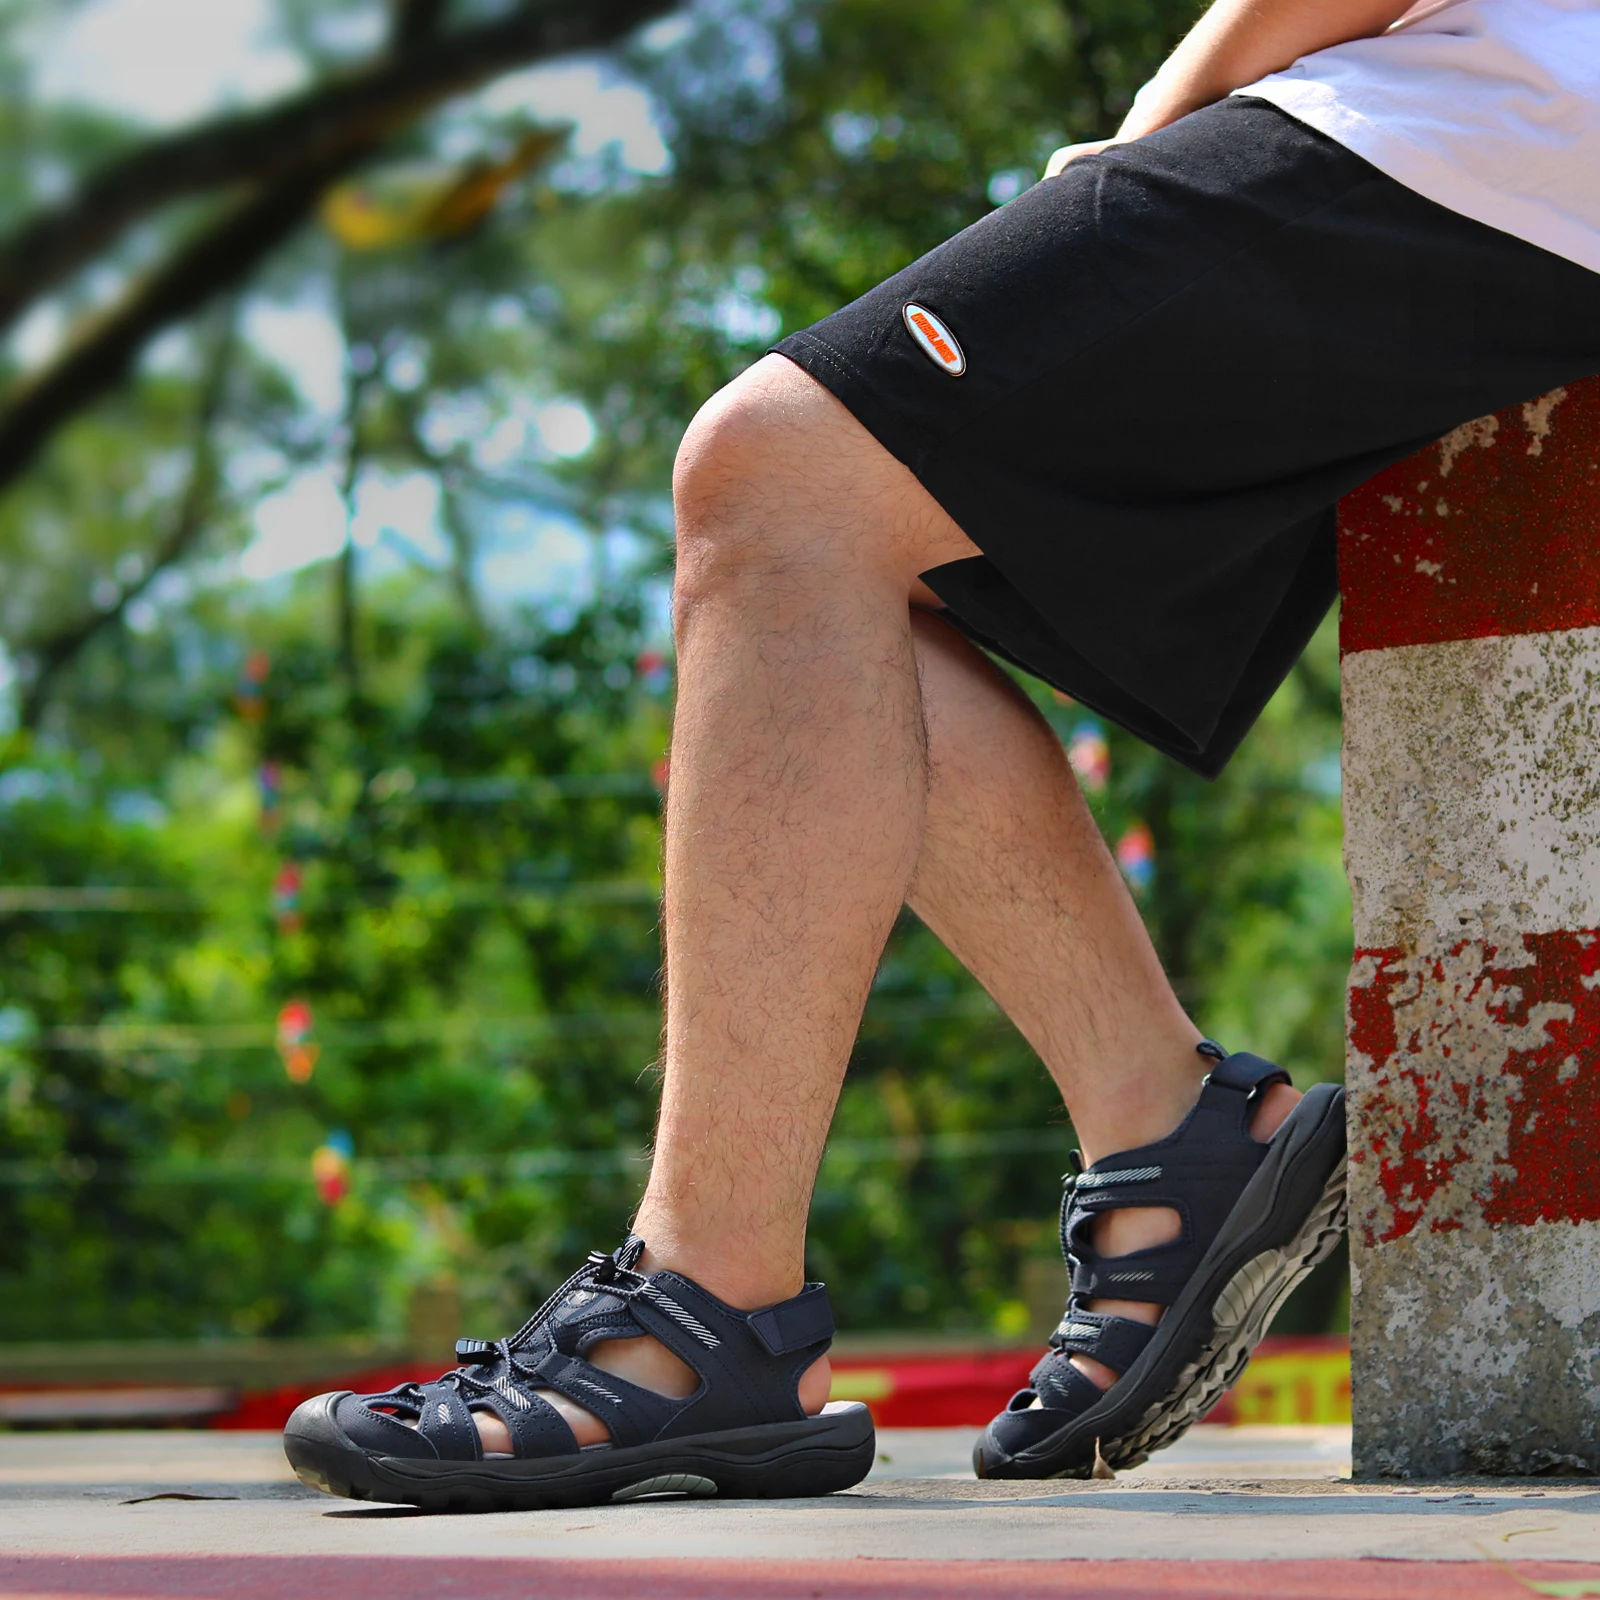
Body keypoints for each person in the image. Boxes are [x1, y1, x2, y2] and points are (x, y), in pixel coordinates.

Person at [284, 0, 1600, 1509]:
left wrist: (1153, 120)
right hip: (1508, 148)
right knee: (832, 591)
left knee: (776, 472)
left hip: (1486, 115)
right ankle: (1167, 1127)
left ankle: (701, 1305)